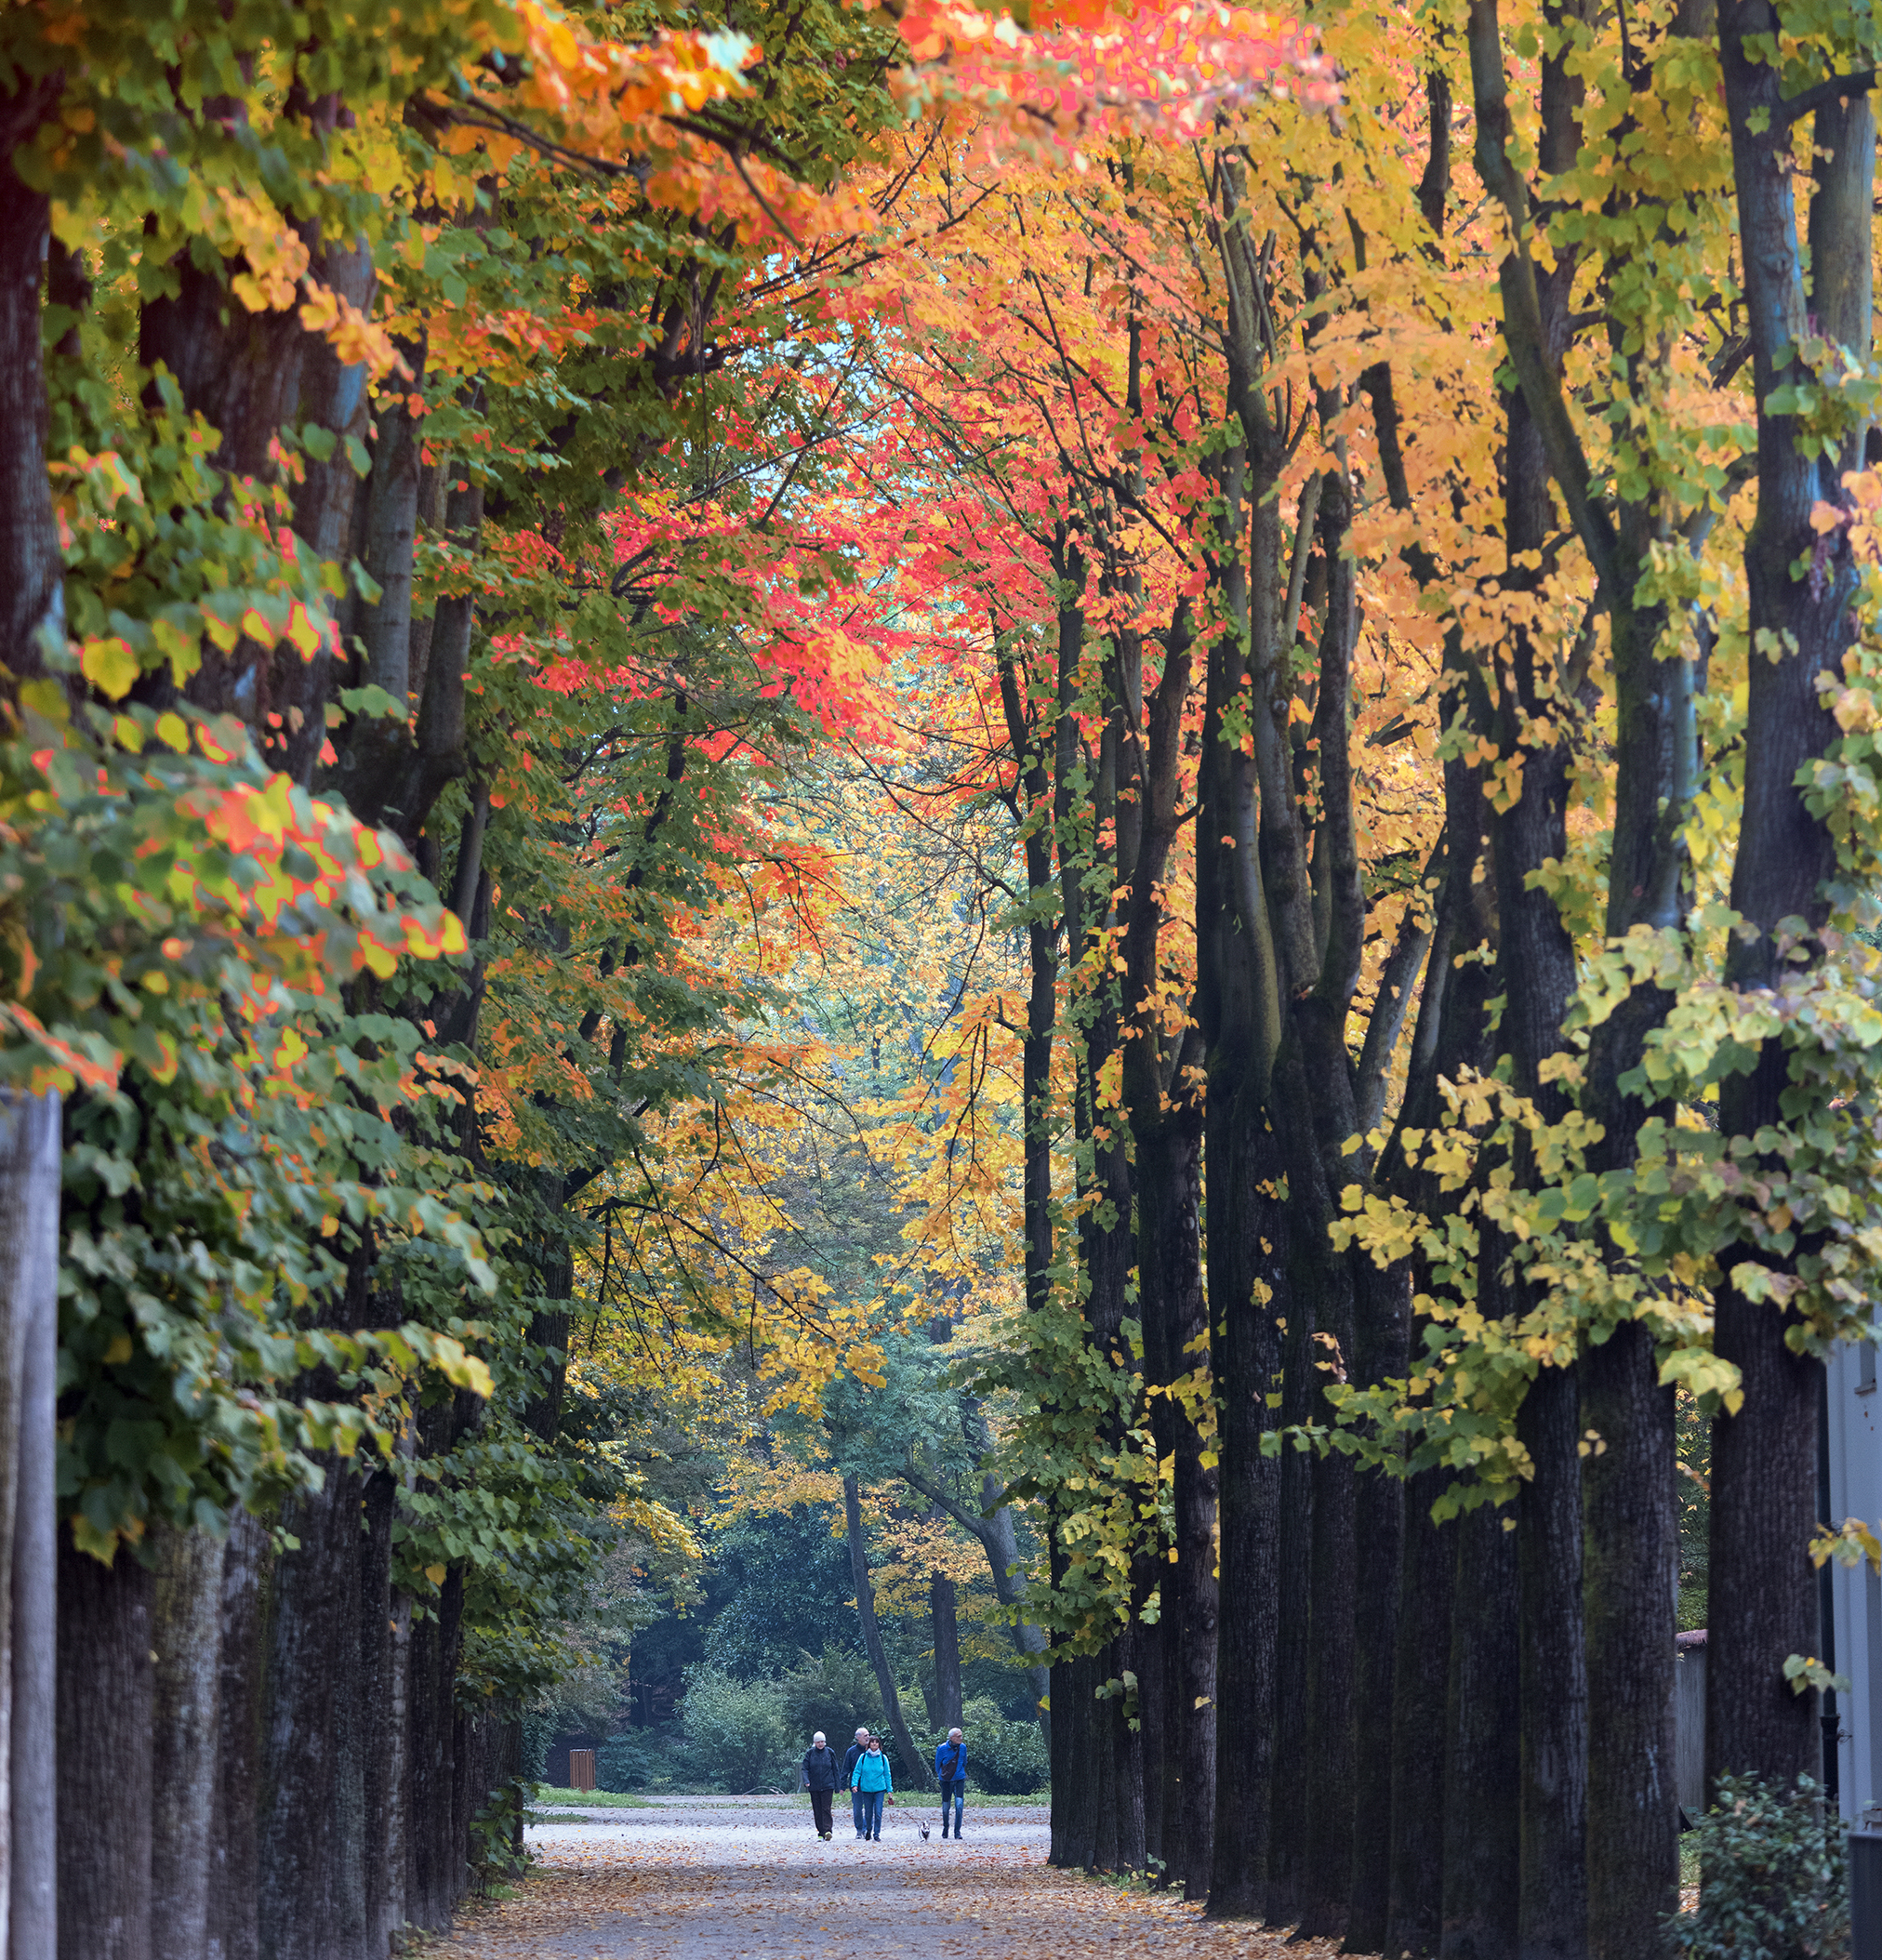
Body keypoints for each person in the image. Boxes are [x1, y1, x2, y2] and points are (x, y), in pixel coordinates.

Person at [851, 1735, 894, 1842]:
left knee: (878, 1812)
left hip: (879, 1789)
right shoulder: (863, 1757)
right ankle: (869, 1829)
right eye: (872, 1742)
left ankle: (877, 1833)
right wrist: (854, 1784)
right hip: (866, 1789)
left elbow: (887, 1774)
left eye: (876, 1742)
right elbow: (857, 1772)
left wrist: (889, 1790)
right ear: (869, 1744)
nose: (874, 1744)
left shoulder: (883, 1758)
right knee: (868, 1813)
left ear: (879, 1744)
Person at [801, 1731, 842, 1840]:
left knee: (826, 1808)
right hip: (814, 1786)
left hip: (828, 1785)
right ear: (815, 1743)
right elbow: (805, 1768)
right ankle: (820, 1832)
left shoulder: (830, 1752)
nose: (820, 1744)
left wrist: (838, 1785)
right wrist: (806, 1781)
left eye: (822, 1742)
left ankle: (828, 1830)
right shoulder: (810, 1753)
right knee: (817, 1809)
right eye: (818, 1742)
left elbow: (835, 1769)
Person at [934, 1726, 966, 1839]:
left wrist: (959, 1772)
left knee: (959, 1805)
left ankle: (957, 1832)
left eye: (961, 1735)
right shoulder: (942, 1748)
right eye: (958, 1736)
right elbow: (937, 1765)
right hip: (946, 1781)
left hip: (959, 1779)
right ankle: (946, 1828)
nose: (961, 1738)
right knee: (945, 1807)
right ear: (952, 1738)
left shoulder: (963, 1748)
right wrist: (942, 1776)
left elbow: (964, 1762)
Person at [842, 1728, 872, 1838]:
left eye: (868, 1735)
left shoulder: (872, 1751)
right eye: (865, 1735)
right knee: (858, 1809)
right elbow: (846, 1769)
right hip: (856, 1786)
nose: (868, 1737)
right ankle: (860, 1829)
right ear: (858, 1737)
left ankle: (868, 1829)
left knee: (870, 1808)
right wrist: (842, 1785)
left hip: (870, 1785)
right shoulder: (851, 1752)